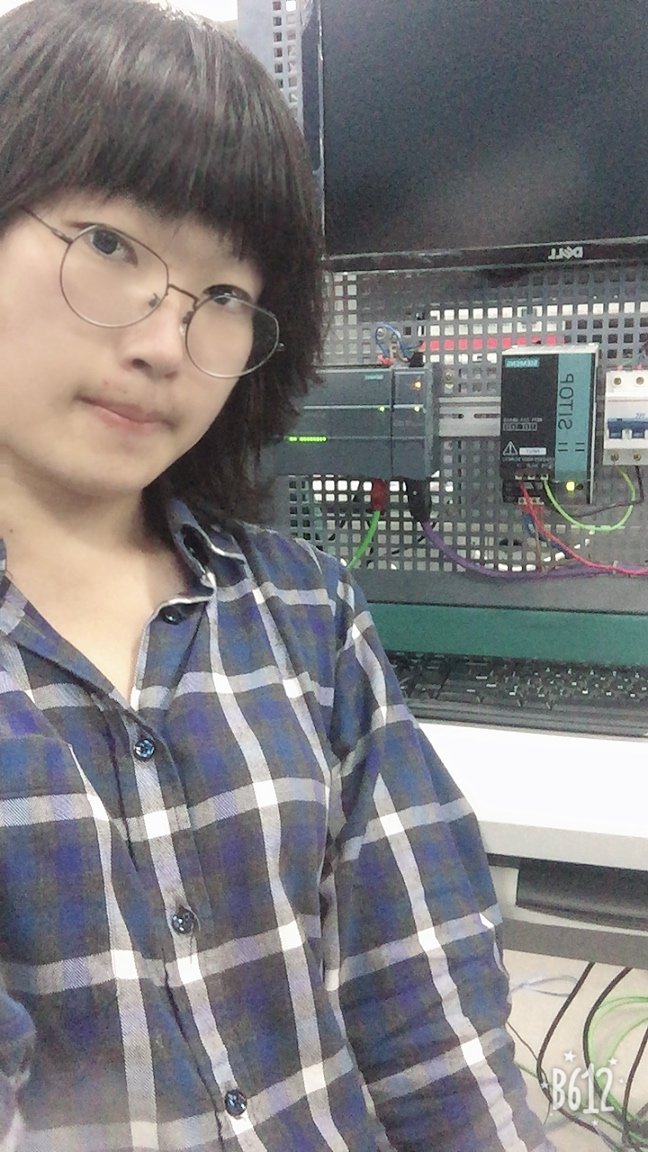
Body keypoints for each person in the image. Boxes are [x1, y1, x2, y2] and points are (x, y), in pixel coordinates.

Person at [0, 1, 555, 1149]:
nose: (165, 344)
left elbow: (430, 1016)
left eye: (224, 297)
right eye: (112, 246)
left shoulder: (307, 614)